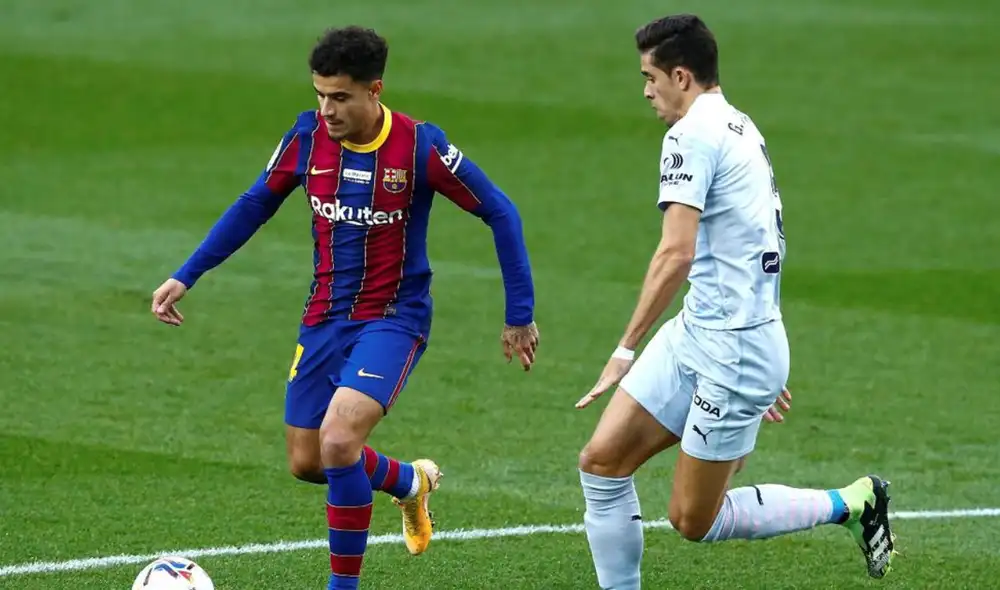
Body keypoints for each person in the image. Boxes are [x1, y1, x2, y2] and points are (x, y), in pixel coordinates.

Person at [150, 26, 539, 590]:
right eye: (319, 94)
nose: (326, 109)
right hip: (324, 317)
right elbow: (255, 202)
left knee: (338, 442)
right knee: (310, 461)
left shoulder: (420, 147)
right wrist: (187, 274)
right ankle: (409, 481)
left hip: (393, 318)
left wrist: (518, 312)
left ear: (374, 90)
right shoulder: (307, 137)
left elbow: (501, 211)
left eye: (340, 97)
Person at [574, 14, 894, 588]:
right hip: (708, 329)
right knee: (601, 463)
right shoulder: (739, 125)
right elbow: (754, 242)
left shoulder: (691, 134)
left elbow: (675, 254)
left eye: (651, 77)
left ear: (681, 75)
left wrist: (625, 350)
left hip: (733, 349)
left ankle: (852, 503)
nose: (646, 91)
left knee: (694, 519)